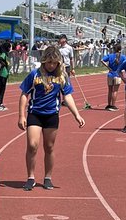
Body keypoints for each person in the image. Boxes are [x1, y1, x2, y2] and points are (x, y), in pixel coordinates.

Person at [17, 44, 85, 191]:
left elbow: (67, 96)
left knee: (49, 147)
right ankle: (31, 177)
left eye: (54, 63)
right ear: (44, 61)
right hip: (35, 114)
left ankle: (48, 177)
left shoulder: (61, 76)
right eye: (49, 62)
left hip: (52, 115)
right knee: (32, 145)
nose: (51, 65)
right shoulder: (35, 74)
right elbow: (24, 94)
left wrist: (76, 115)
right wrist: (21, 115)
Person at [101, 42, 125, 110]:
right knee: (115, 91)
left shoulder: (110, 55)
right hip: (117, 75)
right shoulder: (122, 57)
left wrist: (108, 67)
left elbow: (102, 60)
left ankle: (109, 104)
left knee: (110, 90)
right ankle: (113, 105)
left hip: (110, 74)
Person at [0, 43, 11, 110]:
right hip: (2, 74)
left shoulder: (6, 55)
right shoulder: (3, 54)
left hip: (6, 73)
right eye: (9, 47)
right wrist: (3, 63)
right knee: (2, 89)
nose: (10, 48)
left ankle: (1, 104)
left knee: (3, 89)